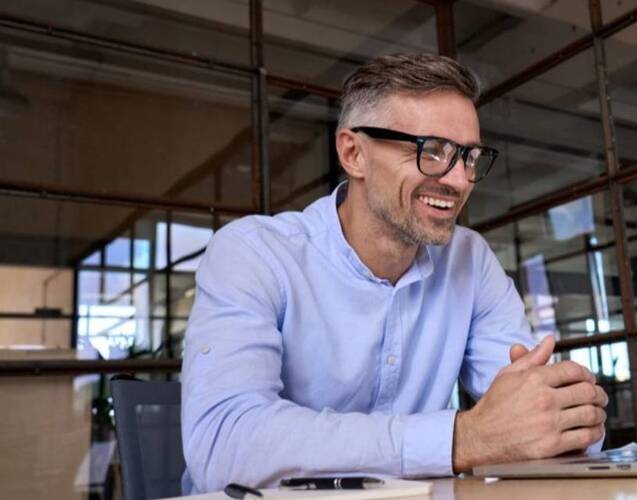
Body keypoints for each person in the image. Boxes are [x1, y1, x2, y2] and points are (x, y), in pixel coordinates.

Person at [181, 53, 608, 494]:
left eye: (469, 156)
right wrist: (462, 438)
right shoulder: (254, 253)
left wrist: (566, 414)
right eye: (432, 151)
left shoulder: (470, 260)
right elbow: (223, 444)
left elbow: (532, 421)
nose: (460, 180)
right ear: (353, 153)